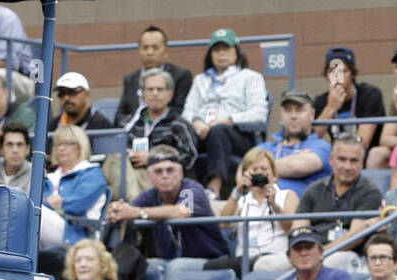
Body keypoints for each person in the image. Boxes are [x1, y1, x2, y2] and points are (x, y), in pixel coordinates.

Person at [181, 28, 268, 197]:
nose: (221, 54)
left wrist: (227, 120)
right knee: (180, 133)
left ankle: (214, 187)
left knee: (218, 131)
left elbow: (259, 113)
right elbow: (188, 111)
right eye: (216, 50)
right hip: (202, 133)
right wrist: (197, 122)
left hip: (238, 135)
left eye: (226, 49)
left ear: (237, 52)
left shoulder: (251, 77)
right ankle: (182, 188)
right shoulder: (201, 80)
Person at [107, 145, 228, 261]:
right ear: (150, 176)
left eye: (170, 170)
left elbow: (183, 211)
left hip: (210, 260)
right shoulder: (152, 194)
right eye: (158, 171)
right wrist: (117, 209)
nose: (165, 176)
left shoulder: (191, 188)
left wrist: (139, 213)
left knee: (174, 267)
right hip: (169, 263)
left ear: (180, 172)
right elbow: (130, 208)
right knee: (144, 269)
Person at [109, 68, 196, 199]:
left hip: (162, 179)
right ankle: (135, 203)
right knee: (115, 157)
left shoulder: (180, 125)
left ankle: (134, 206)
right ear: (143, 94)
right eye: (150, 89)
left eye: (160, 89)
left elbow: (189, 158)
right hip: (132, 176)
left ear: (170, 94)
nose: (155, 94)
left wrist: (153, 159)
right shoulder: (131, 123)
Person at [208, 147, 298, 273]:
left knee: (261, 265)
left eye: (264, 169)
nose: (259, 173)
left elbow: (293, 228)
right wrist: (238, 191)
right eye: (254, 170)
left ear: (274, 173)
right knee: (210, 267)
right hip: (244, 259)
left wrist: (274, 205)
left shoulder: (287, 195)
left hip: (275, 257)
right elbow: (224, 224)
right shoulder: (240, 199)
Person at [41, 124, 107, 248]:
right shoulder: (52, 176)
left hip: (77, 235)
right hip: (50, 231)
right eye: (58, 144)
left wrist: (55, 203)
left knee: (36, 212)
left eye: (67, 144)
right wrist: (53, 203)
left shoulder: (92, 174)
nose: (61, 148)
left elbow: (78, 205)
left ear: (80, 146)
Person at [260, 89, 330, 199]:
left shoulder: (321, 146)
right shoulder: (266, 147)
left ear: (312, 114)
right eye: (288, 110)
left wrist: (261, 169)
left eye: (299, 110)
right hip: (264, 209)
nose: (293, 116)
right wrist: (297, 158)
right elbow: (242, 172)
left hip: (302, 212)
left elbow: (296, 168)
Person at [115, 25, 193, 123]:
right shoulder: (130, 79)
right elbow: (119, 117)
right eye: (145, 48)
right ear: (139, 51)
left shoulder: (181, 76)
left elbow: (181, 111)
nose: (150, 52)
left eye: (155, 47)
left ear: (166, 51)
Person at [312, 46, 386, 151]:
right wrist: (330, 108)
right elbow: (312, 140)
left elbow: (362, 143)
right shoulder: (321, 101)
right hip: (337, 157)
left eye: (342, 71)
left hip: (365, 156)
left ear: (353, 74)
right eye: (332, 71)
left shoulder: (369, 94)